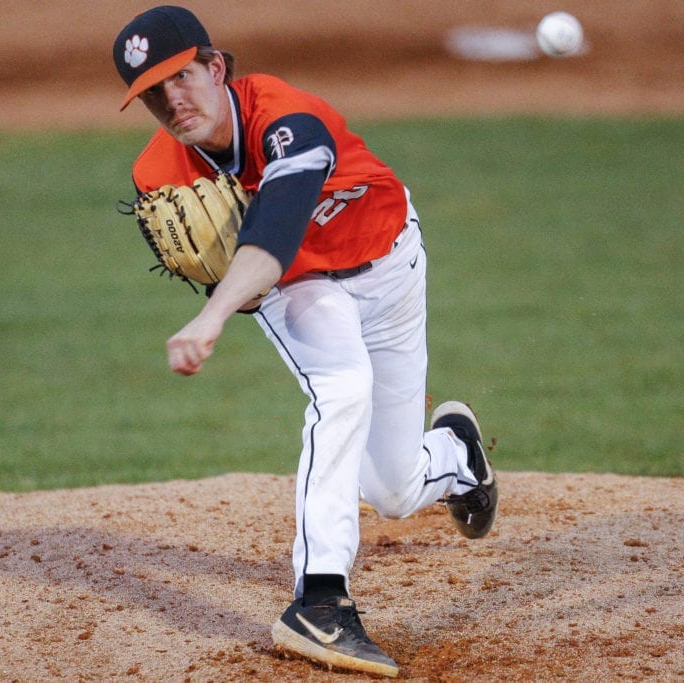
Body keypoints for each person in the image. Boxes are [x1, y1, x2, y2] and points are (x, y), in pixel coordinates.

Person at [113, 6, 499, 677]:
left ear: (215, 67)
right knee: (342, 388)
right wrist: (226, 301)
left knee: (393, 487)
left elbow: (280, 223)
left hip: (389, 264)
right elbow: (256, 272)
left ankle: (456, 454)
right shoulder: (158, 173)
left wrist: (209, 319)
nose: (171, 100)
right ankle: (320, 600)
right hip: (299, 287)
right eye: (152, 92)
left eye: (181, 77)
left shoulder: (287, 117)